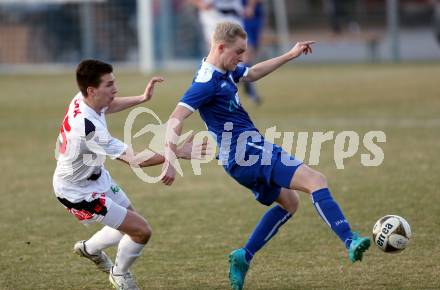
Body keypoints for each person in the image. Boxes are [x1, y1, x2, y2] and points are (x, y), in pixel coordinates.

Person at [161, 22, 370, 290]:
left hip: (238, 160)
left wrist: (290, 54)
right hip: (249, 152)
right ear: (221, 47)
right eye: (238, 52)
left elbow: (252, 73)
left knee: (290, 204)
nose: (242, 57)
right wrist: (170, 159)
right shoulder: (206, 81)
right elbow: (174, 119)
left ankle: (243, 256)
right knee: (316, 180)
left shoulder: (223, 70)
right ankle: (350, 239)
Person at [53, 59, 206, 290]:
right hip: (78, 193)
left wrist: (142, 99)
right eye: (109, 85)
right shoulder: (88, 129)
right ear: (92, 90)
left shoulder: (83, 98)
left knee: (128, 221)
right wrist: (177, 152)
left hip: (96, 177)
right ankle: (120, 274)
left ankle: (90, 249)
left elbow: (108, 105)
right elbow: (135, 160)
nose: (115, 89)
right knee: (141, 231)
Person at [242, 0, 264, 104]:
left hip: (256, 14)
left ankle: (240, 79)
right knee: (247, 51)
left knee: (252, 52)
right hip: (243, 15)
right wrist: (250, 5)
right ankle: (249, 88)